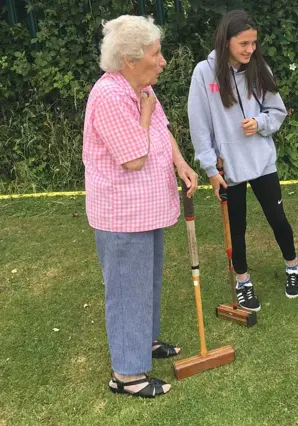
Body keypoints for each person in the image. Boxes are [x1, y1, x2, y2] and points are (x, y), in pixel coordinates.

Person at [83, 15, 199, 397]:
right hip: (122, 213)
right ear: (130, 59)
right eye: (156, 53)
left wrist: (180, 162)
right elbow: (133, 158)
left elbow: (162, 130)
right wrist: (145, 117)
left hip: (146, 208)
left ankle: (142, 344)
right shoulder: (110, 96)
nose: (163, 60)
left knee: (146, 282)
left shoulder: (142, 87)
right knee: (126, 288)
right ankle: (127, 375)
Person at [188, 10, 298, 312]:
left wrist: (260, 123)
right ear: (226, 41)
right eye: (244, 44)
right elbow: (199, 126)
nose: (250, 49)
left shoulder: (259, 68)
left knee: (278, 219)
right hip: (228, 168)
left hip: (262, 161)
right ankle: (243, 280)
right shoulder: (204, 73)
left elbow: (276, 111)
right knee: (236, 228)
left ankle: (292, 267)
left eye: (254, 43)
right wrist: (211, 169)